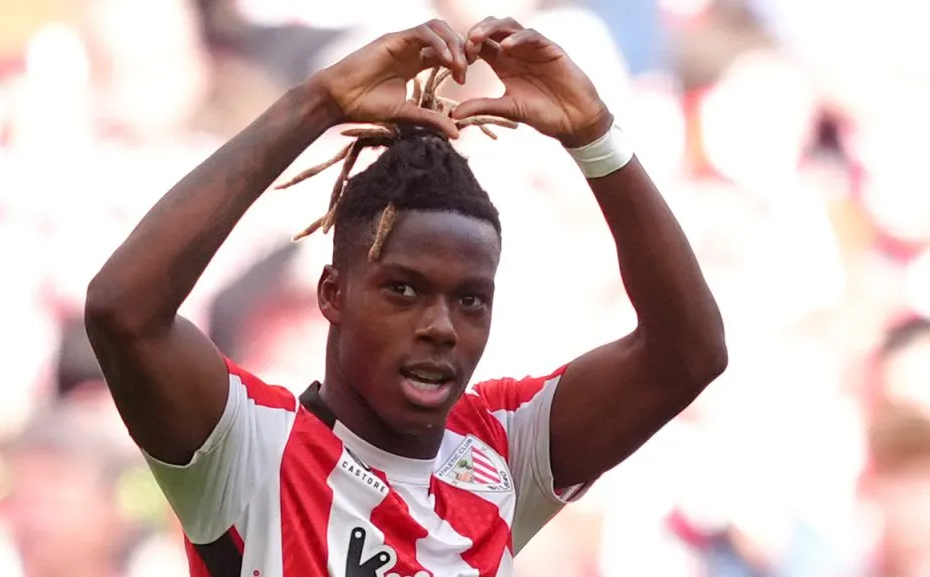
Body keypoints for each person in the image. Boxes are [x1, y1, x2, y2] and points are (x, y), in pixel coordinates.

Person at [84, 16, 727, 577]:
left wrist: (595, 136)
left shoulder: (503, 452)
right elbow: (123, 312)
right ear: (332, 293)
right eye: (404, 290)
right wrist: (318, 104)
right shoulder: (251, 450)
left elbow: (688, 354)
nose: (441, 326)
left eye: (471, 300)